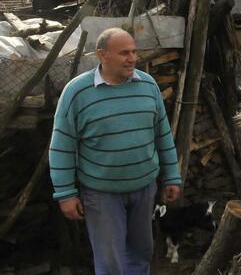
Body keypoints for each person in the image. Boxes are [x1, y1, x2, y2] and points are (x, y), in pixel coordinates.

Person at [49, 28, 182, 274]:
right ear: (102, 55)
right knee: (111, 263)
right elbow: (61, 146)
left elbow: (162, 135)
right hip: (102, 194)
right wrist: (65, 193)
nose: (132, 58)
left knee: (141, 253)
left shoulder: (148, 85)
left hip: (144, 189)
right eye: (124, 53)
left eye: (134, 51)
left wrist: (172, 176)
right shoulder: (77, 92)